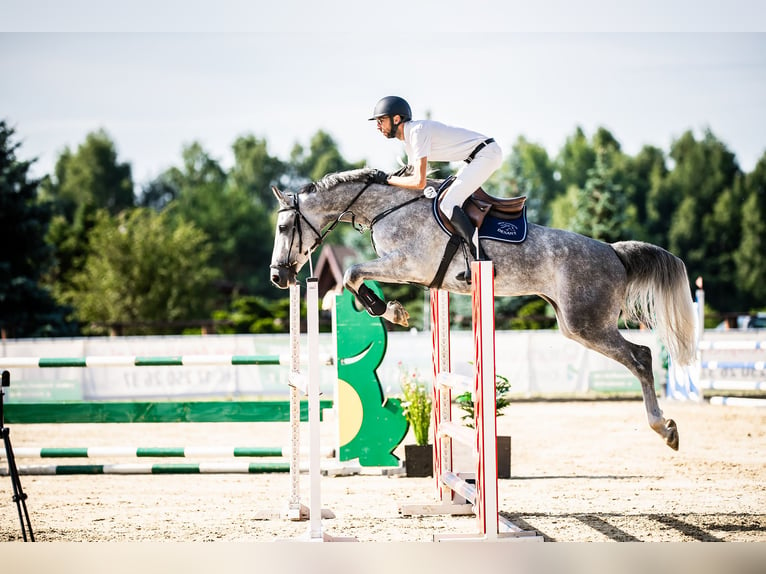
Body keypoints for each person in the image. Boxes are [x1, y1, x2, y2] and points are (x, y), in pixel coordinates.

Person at [367, 95, 502, 262]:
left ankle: (479, 256)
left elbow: (418, 181)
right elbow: (409, 179)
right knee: (443, 199)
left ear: (396, 119)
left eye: (381, 120)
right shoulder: (408, 141)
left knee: (448, 203)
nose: (378, 126)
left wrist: (386, 180)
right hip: (475, 158)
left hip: (486, 154)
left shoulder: (417, 131)